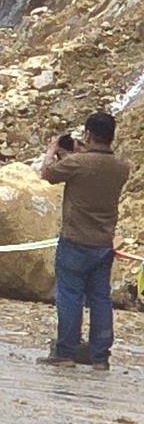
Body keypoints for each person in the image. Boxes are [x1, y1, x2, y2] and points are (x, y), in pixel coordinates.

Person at [37, 111, 131, 369]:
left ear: (88, 134)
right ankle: (100, 356)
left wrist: (52, 150)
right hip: (103, 243)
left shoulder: (78, 164)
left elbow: (48, 173)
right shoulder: (121, 168)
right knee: (100, 299)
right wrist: (78, 154)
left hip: (75, 241)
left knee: (69, 296)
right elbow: (92, 169)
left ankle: (65, 352)